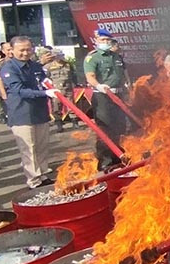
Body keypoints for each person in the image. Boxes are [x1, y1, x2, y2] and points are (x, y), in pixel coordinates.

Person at [0, 36, 56, 189]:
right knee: (28, 149)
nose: (25, 53)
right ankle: (34, 180)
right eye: (21, 50)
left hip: (40, 112)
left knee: (41, 146)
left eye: (28, 49)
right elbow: (19, 90)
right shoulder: (8, 68)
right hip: (22, 114)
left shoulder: (35, 66)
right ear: (12, 51)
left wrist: (48, 85)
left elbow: (43, 81)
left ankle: (43, 174)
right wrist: (45, 93)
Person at [83, 30, 128, 169]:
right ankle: (105, 161)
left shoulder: (116, 57)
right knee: (105, 129)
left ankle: (117, 157)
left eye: (108, 40)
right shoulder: (93, 57)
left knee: (119, 127)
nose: (105, 42)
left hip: (118, 95)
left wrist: (126, 89)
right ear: (96, 41)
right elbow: (90, 76)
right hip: (102, 96)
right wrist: (98, 86)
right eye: (102, 40)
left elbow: (122, 75)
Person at [42, 48, 76, 132]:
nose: (59, 58)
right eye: (57, 56)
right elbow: (45, 78)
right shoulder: (48, 67)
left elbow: (73, 75)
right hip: (56, 91)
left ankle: (75, 123)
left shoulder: (68, 65)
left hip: (68, 89)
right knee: (56, 108)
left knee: (72, 107)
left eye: (60, 56)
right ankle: (59, 125)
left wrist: (75, 83)